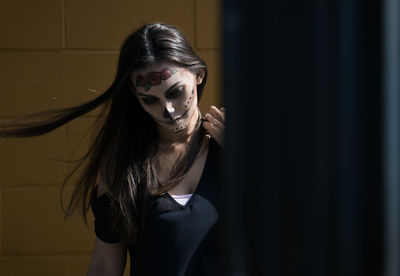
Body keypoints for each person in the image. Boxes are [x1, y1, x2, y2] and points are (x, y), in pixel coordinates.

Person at [0, 23, 225, 276]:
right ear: (135, 96)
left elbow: (273, 232)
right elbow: (106, 264)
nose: (168, 110)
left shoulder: (233, 148)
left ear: (199, 75)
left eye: (175, 92)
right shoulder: (124, 164)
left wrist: (246, 157)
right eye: (150, 100)